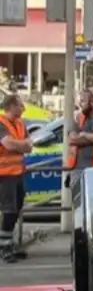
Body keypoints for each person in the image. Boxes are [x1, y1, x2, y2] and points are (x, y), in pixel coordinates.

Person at [0, 93, 33, 263]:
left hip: (18, 173)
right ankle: (4, 248)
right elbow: (8, 144)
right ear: (11, 106)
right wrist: (21, 145)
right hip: (4, 174)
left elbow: (30, 146)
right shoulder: (1, 123)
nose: (23, 108)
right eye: (20, 105)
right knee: (9, 210)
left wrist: (18, 145)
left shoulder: (21, 123)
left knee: (16, 209)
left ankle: (8, 244)